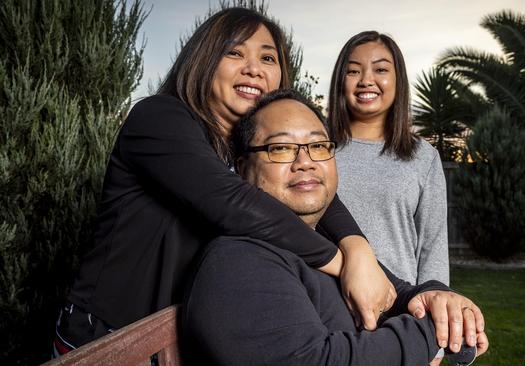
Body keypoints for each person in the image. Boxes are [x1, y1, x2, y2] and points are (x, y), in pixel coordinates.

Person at [53, 8, 395, 356]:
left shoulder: (250, 147)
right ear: (203, 60)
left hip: (188, 343)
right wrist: (343, 265)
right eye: (234, 52)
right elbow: (232, 203)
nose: (254, 68)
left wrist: (359, 250)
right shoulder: (159, 118)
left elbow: (320, 193)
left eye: (267, 57)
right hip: (109, 341)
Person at [183, 89, 488, 365]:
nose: (306, 161)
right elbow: (322, 361)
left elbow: (403, 296)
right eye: (281, 148)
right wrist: (433, 328)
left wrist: (441, 300)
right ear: (242, 167)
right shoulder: (240, 260)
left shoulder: (327, 247)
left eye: (318, 145)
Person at [328, 31, 449, 285]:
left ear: (398, 80)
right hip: (323, 301)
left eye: (380, 70)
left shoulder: (423, 157)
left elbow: (432, 247)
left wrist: (433, 304)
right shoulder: (315, 148)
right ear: (340, 80)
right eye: (353, 71)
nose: (366, 80)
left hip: (398, 307)